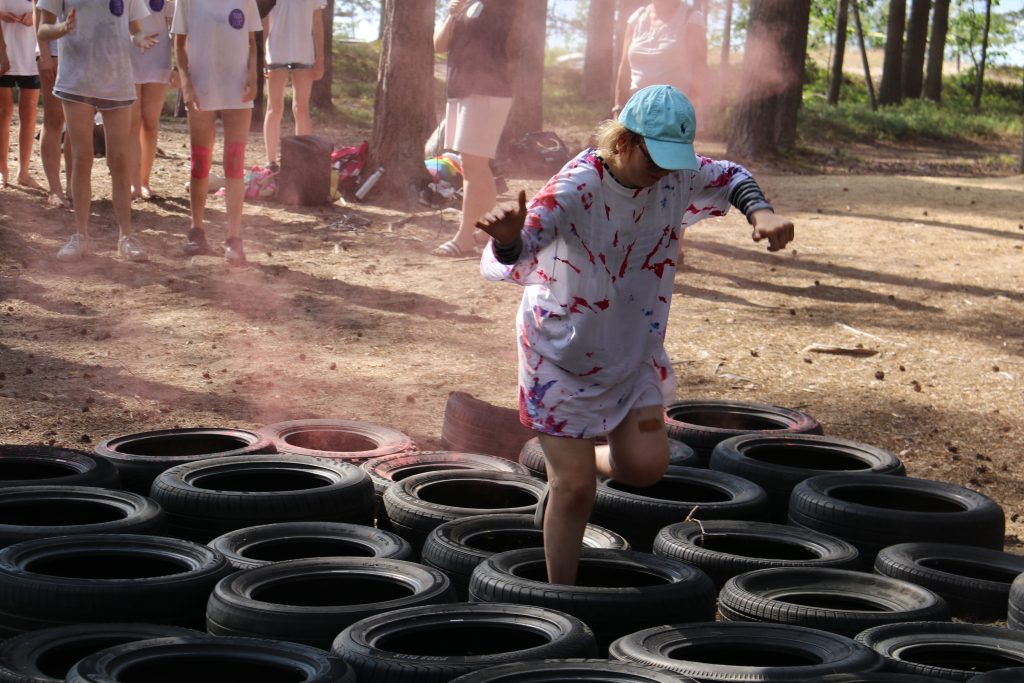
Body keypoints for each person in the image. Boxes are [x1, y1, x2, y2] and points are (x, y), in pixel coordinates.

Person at [475, 85, 795, 585]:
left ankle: (566, 472)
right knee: (579, 493)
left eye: (674, 160)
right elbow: (521, 246)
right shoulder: (576, 186)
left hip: (631, 346)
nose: (665, 170)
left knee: (646, 466)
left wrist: (763, 214)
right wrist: (510, 237)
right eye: (655, 156)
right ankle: (560, 598)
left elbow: (732, 175)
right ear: (625, 141)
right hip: (559, 351)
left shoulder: (675, 177)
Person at [36, 0, 160, 262]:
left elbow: (134, 28)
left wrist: (139, 39)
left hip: (117, 81)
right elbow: (42, 30)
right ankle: (80, 236)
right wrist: (62, 28)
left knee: (119, 160)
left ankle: (125, 238)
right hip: (76, 81)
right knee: (82, 158)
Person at [172, 0, 260, 266]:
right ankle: (196, 231)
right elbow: (179, 43)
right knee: (200, 163)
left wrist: (253, 76)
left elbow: (253, 42)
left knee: (234, 163)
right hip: (202, 88)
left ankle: (234, 238)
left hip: (238, 91)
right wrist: (186, 84)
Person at [431, 0, 518, 258]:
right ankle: (491, 229)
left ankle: (464, 238)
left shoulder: (499, 5)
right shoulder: (463, 6)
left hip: (487, 92)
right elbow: (438, 45)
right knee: (474, 165)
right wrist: (453, 12)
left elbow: (503, 42)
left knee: (473, 165)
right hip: (461, 90)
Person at [613, 0, 707, 119]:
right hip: (635, 111)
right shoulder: (637, 18)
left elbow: (700, 68)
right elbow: (625, 66)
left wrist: (689, 111)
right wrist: (618, 108)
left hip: (673, 114)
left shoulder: (691, 18)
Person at [260, 0, 324, 167]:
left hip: (304, 53)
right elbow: (265, 19)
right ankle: (271, 161)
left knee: (301, 108)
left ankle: (301, 160)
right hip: (276, 52)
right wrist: (262, 53)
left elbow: (317, 23)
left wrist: (320, 59)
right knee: (274, 108)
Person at [129, 0, 175, 200]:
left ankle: (144, 181)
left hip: (158, 57)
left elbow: (175, 26)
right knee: (132, 122)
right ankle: (133, 182)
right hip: (129, 54)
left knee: (150, 122)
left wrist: (178, 64)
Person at [33, 1, 72, 208]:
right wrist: (45, 54)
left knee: (77, 123)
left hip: (83, 55)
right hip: (55, 51)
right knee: (54, 120)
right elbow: (37, 10)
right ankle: (54, 189)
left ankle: (73, 186)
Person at [0, 0, 42, 190]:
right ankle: (2, 171)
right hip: (3, 55)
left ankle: (23, 173)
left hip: (31, 57)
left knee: (30, 114)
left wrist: (35, 17)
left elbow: (52, 12)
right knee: (3, 112)